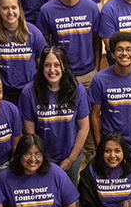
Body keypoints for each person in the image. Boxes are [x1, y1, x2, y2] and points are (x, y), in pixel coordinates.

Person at [19, 46, 89, 197]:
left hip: (71, 154)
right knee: (47, 198)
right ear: (41, 67)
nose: (52, 70)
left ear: (64, 66)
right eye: (47, 65)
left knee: (71, 199)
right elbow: (30, 134)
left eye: (57, 65)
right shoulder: (29, 92)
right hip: (41, 158)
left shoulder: (78, 89)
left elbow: (84, 127)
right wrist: (41, 159)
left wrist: (70, 159)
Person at [0, 133, 79, 207]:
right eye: (27, 154)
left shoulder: (56, 173)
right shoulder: (4, 178)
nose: (33, 159)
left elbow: (71, 203)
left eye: (38, 154)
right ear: (19, 155)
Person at [88, 32, 131, 161]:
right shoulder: (100, 79)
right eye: (119, 49)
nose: (124, 53)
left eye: (129, 49)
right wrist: (99, 146)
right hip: (110, 145)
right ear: (113, 54)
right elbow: (95, 115)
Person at [37, 0, 101, 89]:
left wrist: (96, 68)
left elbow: (97, 40)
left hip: (88, 74)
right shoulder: (47, 10)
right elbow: (43, 45)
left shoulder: (92, 7)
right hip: (60, 74)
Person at [0, 0, 46, 106]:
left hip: (30, 90)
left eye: (13, 7)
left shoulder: (33, 32)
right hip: (4, 92)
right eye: (5, 8)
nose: (10, 12)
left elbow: (42, 64)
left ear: (19, 9)